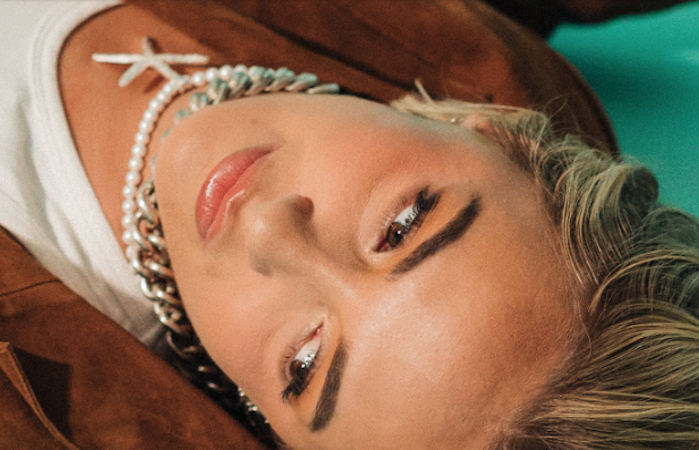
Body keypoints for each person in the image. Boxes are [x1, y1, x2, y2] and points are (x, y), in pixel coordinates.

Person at [1, 0, 697, 449]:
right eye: (402, 227)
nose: (267, 230)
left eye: (303, 367)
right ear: (499, 134)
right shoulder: (483, 62)